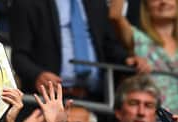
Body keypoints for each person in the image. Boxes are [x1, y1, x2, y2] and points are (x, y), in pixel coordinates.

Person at [9, 0, 145, 98]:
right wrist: (37, 75)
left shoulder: (96, 3)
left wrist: (127, 59)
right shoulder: (27, 3)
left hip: (94, 99)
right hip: (50, 99)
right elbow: (19, 56)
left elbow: (109, 46)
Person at [109, 0, 178, 116]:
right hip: (148, 119)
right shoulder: (138, 39)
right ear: (146, 7)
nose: (163, 2)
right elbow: (115, 15)